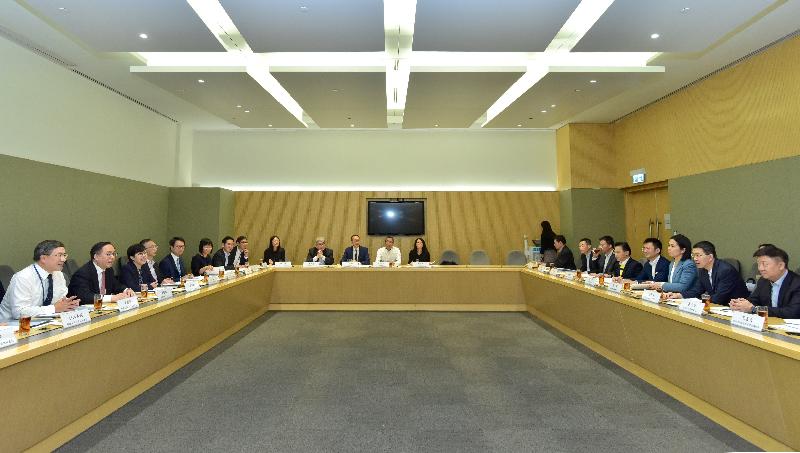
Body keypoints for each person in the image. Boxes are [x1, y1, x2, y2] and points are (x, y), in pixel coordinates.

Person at [0, 240, 79, 319]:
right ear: (43, 258)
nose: (63, 259)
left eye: (64, 255)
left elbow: (60, 302)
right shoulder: (23, 278)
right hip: (12, 325)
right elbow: (19, 313)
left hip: (45, 321)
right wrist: (54, 308)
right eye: (59, 255)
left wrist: (69, 304)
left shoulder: (59, 275)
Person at [666, 241, 748, 306]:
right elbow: (697, 291)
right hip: (718, 307)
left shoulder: (726, 270)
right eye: (693, 255)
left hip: (735, 308)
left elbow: (719, 297)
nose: (695, 259)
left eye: (698, 255)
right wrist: (679, 295)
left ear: (710, 257)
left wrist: (696, 304)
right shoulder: (703, 270)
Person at [731, 245, 800, 318]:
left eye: (765, 264)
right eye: (759, 264)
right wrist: (740, 304)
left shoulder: (797, 283)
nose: (760, 268)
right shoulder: (763, 281)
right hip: (768, 324)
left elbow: (793, 312)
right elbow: (754, 300)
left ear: (781, 265)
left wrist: (755, 309)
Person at [67, 242, 135, 304]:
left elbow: (116, 285)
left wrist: (126, 290)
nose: (112, 257)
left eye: (114, 254)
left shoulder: (108, 270)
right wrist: (112, 298)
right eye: (108, 254)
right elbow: (85, 296)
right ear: (96, 257)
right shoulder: (82, 273)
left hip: (103, 308)